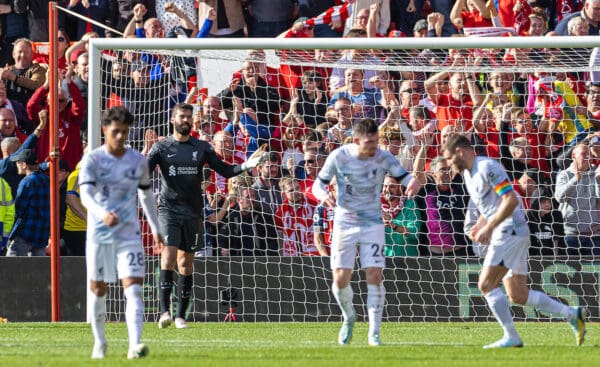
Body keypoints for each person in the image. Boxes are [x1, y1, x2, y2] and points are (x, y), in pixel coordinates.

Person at [441, 133, 586, 348]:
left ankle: (511, 337)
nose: (450, 165)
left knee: (486, 283)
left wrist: (489, 227)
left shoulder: (487, 167)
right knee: (517, 294)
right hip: (511, 233)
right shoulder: (468, 175)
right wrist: (481, 224)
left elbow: (510, 199)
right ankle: (571, 314)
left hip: (509, 231)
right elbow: (490, 204)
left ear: (460, 152)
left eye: (450, 159)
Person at [147, 103, 266, 329]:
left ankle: (181, 316)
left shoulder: (201, 147)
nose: (186, 120)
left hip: (194, 211)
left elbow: (224, 170)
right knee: (169, 256)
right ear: (173, 119)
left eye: (189, 117)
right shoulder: (162, 147)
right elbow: (142, 172)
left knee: (186, 263)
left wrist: (247, 165)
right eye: (182, 116)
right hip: (169, 210)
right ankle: (164, 312)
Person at [312, 118, 421, 346]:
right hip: (345, 222)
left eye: (375, 142)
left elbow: (406, 177)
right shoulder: (339, 156)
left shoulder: (384, 157)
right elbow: (317, 185)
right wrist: (324, 196)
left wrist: (413, 183)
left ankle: (374, 333)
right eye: (368, 143)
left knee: (374, 274)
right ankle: (349, 316)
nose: (372, 147)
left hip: (372, 222)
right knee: (340, 279)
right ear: (355, 141)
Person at [79, 106, 163, 360]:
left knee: (134, 289)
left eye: (124, 132)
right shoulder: (92, 160)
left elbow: (146, 196)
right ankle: (100, 342)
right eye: (115, 131)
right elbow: (85, 194)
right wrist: (101, 212)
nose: (120, 137)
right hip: (100, 234)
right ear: (105, 130)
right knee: (98, 289)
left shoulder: (137, 161)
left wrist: (156, 228)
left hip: (129, 234)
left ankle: (134, 345)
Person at [554, 142, 600, 257]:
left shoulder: (596, 173)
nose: (588, 157)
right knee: (573, 273)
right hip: (571, 236)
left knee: (594, 274)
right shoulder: (564, 174)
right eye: (584, 154)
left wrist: (598, 181)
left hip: (593, 236)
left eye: (589, 154)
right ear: (573, 156)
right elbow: (560, 197)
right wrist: (576, 178)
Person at [5, 148, 48, 256]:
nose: (16, 165)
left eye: (18, 162)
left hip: (26, 233)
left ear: (24, 165)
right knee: (38, 270)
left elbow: (19, 210)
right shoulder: (47, 180)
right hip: (42, 233)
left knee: (12, 267)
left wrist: (11, 235)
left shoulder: (27, 181)